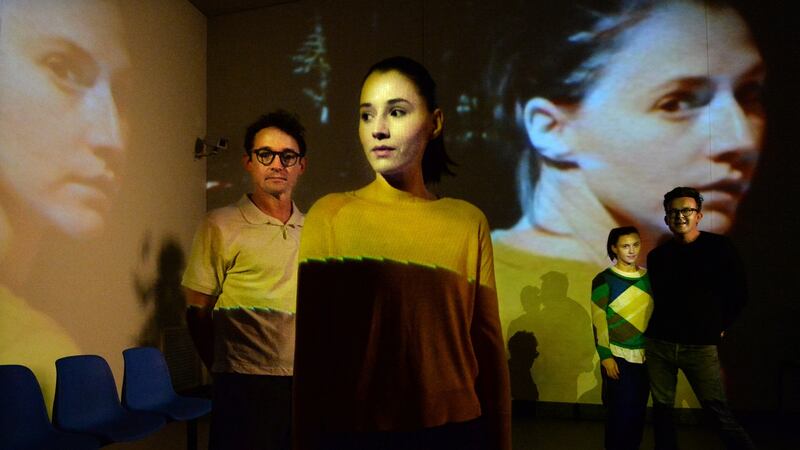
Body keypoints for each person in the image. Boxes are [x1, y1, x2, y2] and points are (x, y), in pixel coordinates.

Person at [486, 0, 766, 404]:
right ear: (552, 128)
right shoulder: (487, 285)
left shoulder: (669, 280)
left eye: (749, 94)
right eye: (677, 102)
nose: (739, 139)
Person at [293, 56, 511, 450]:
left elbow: (488, 346)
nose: (378, 129)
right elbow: (311, 350)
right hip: (357, 431)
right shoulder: (330, 215)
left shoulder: (467, 221)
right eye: (366, 115)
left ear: (435, 122)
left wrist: (502, 440)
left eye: (396, 112)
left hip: (456, 430)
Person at [0, 0, 130, 414]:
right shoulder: (37, 352)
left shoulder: (38, 340)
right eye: (64, 69)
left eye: (122, 93)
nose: (112, 138)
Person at [182, 110, 307, 450]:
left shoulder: (313, 229)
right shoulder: (220, 224)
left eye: (287, 156)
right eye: (265, 154)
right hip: (243, 382)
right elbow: (197, 311)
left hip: (302, 381)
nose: (277, 164)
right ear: (248, 162)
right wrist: (223, 370)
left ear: (301, 165)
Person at [646, 186, 755, 450]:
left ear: (699, 215)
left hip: (700, 344)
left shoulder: (719, 247)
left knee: (717, 411)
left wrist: (722, 325)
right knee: (662, 412)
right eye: (673, 212)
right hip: (660, 343)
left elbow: (739, 292)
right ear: (666, 218)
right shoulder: (657, 256)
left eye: (686, 210)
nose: (680, 216)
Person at [591, 226, 653, 450]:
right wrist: (605, 356)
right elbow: (598, 320)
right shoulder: (604, 279)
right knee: (618, 414)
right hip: (618, 356)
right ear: (614, 248)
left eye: (635, 245)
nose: (631, 250)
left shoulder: (649, 277)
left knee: (637, 413)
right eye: (625, 246)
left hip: (646, 357)